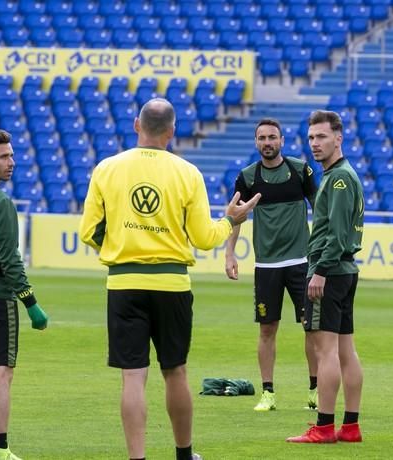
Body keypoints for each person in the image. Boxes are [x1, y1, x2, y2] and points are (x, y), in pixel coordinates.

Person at [78, 98, 260, 460]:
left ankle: (137, 457)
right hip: (172, 284)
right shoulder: (187, 172)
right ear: (172, 131)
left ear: (136, 125)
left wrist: (119, 247)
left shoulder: (106, 169)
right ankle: (183, 453)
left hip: (124, 283)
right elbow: (204, 238)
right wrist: (231, 221)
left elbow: (89, 232)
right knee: (175, 371)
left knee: (132, 377)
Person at [224, 118, 319, 412]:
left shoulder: (300, 171)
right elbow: (235, 217)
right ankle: (268, 393)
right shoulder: (247, 177)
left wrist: (320, 251)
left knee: (312, 328)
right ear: (256, 143)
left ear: (282, 141)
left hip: (301, 262)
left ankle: (315, 391)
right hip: (266, 266)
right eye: (262, 138)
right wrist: (230, 253)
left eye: (272, 137)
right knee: (267, 329)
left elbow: (321, 210)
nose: (267, 142)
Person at [286, 110, 364, 444]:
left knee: (326, 351)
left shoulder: (338, 178)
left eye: (321, 137)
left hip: (329, 272)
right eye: (311, 138)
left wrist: (319, 271)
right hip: (343, 271)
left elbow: (337, 233)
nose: (315, 144)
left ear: (338, 138)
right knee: (346, 350)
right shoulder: (341, 175)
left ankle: (323, 426)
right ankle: (350, 427)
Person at [0, 128, 49, 460]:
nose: (13, 162)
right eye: (4, 156)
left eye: (12, 155)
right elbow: (10, 261)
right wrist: (32, 305)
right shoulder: (0, 202)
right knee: (0, 372)